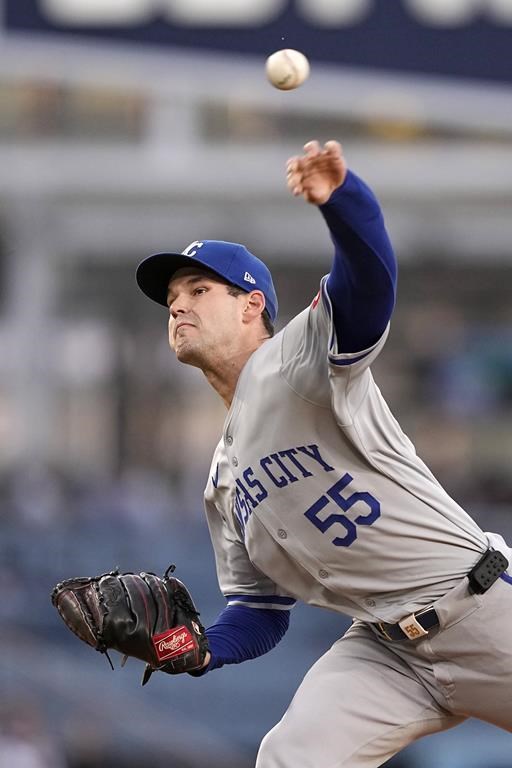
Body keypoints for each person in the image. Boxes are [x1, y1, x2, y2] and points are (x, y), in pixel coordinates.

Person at [135, 140, 512, 767]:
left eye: (199, 289)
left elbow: (368, 288)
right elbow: (260, 610)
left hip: (479, 609)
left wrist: (344, 201)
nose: (178, 305)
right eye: (172, 298)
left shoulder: (299, 361)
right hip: (386, 654)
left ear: (252, 304)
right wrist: (198, 646)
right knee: (290, 757)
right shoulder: (223, 480)